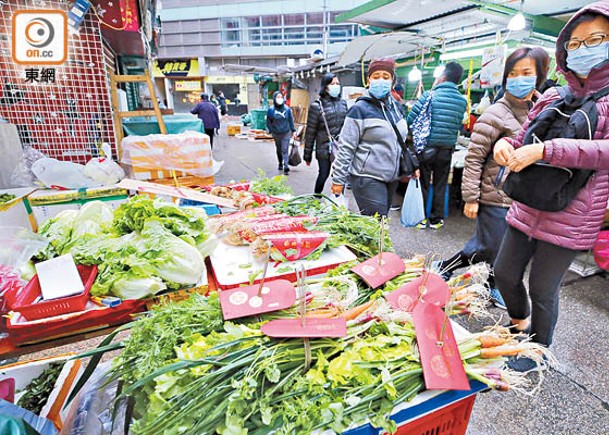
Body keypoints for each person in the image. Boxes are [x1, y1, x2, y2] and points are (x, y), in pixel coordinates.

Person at [492, 1, 609, 371]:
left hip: (573, 214)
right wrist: (506, 146)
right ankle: (519, 325)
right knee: (505, 274)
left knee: (543, 289)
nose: (583, 50)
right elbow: (525, 136)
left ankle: (538, 349)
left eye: (596, 40)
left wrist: (547, 150)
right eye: (574, 43)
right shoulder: (553, 95)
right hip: (527, 202)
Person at [436, 47, 550, 309]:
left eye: (526, 73)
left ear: (539, 76)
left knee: (497, 248)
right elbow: (474, 158)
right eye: (512, 73)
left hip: (523, 197)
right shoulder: (494, 113)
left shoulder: (542, 111)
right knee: (491, 245)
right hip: (495, 194)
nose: (518, 78)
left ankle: (479, 279)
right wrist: (471, 198)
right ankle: (468, 275)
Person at [331, 58, 418, 216]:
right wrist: (338, 179)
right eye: (376, 76)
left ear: (392, 81)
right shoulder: (359, 109)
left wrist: (411, 165)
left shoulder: (396, 108)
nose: (380, 81)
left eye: (386, 77)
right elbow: (346, 147)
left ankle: (377, 242)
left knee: (381, 223)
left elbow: (403, 140)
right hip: (367, 177)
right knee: (377, 222)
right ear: (368, 80)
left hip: (392, 177)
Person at [407, 61, 468, 229]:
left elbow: (410, 119)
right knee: (441, 183)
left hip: (427, 147)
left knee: (424, 183)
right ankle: (436, 219)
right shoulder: (462, 101)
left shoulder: (429, 95)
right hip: (447, 149)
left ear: (443, 77)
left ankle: (421, 218)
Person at [304, 73, 348, 194]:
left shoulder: (343, 104)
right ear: (325, 86)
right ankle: (316, 197)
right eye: (332, 83)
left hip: (340, 148)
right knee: (323, 174)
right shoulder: (316, 106)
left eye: (337, 84)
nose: (335, 86)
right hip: (324, 149)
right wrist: (307, 156)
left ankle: (339, 200)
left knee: (340, 177)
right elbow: (310, 133)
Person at [266, 91, 297, 174]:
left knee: (284, 149)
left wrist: (293, 131)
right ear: (274, 99)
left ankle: (286, 166)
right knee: (279, 149)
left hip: (286, 132)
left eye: (281, 97)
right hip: (276, 133)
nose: (279, 99)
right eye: (277, 97)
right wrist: (270, 130)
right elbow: (269, 121)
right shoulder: (271, 110)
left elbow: (290, 120)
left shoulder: (287, 109)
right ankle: (280, 162)